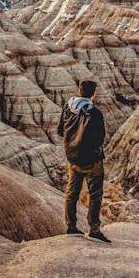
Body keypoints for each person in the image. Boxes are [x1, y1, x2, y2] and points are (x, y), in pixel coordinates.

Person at [57, 80, 111, 243]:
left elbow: (60, 130)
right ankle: (94, 230)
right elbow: (100, 138)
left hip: (72, 158)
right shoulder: (94, 113)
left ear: (80, 91)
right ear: (93, 94)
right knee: (95, 194)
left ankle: (71, 226)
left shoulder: (68, 107)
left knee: (72, 192)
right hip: (91, 160)